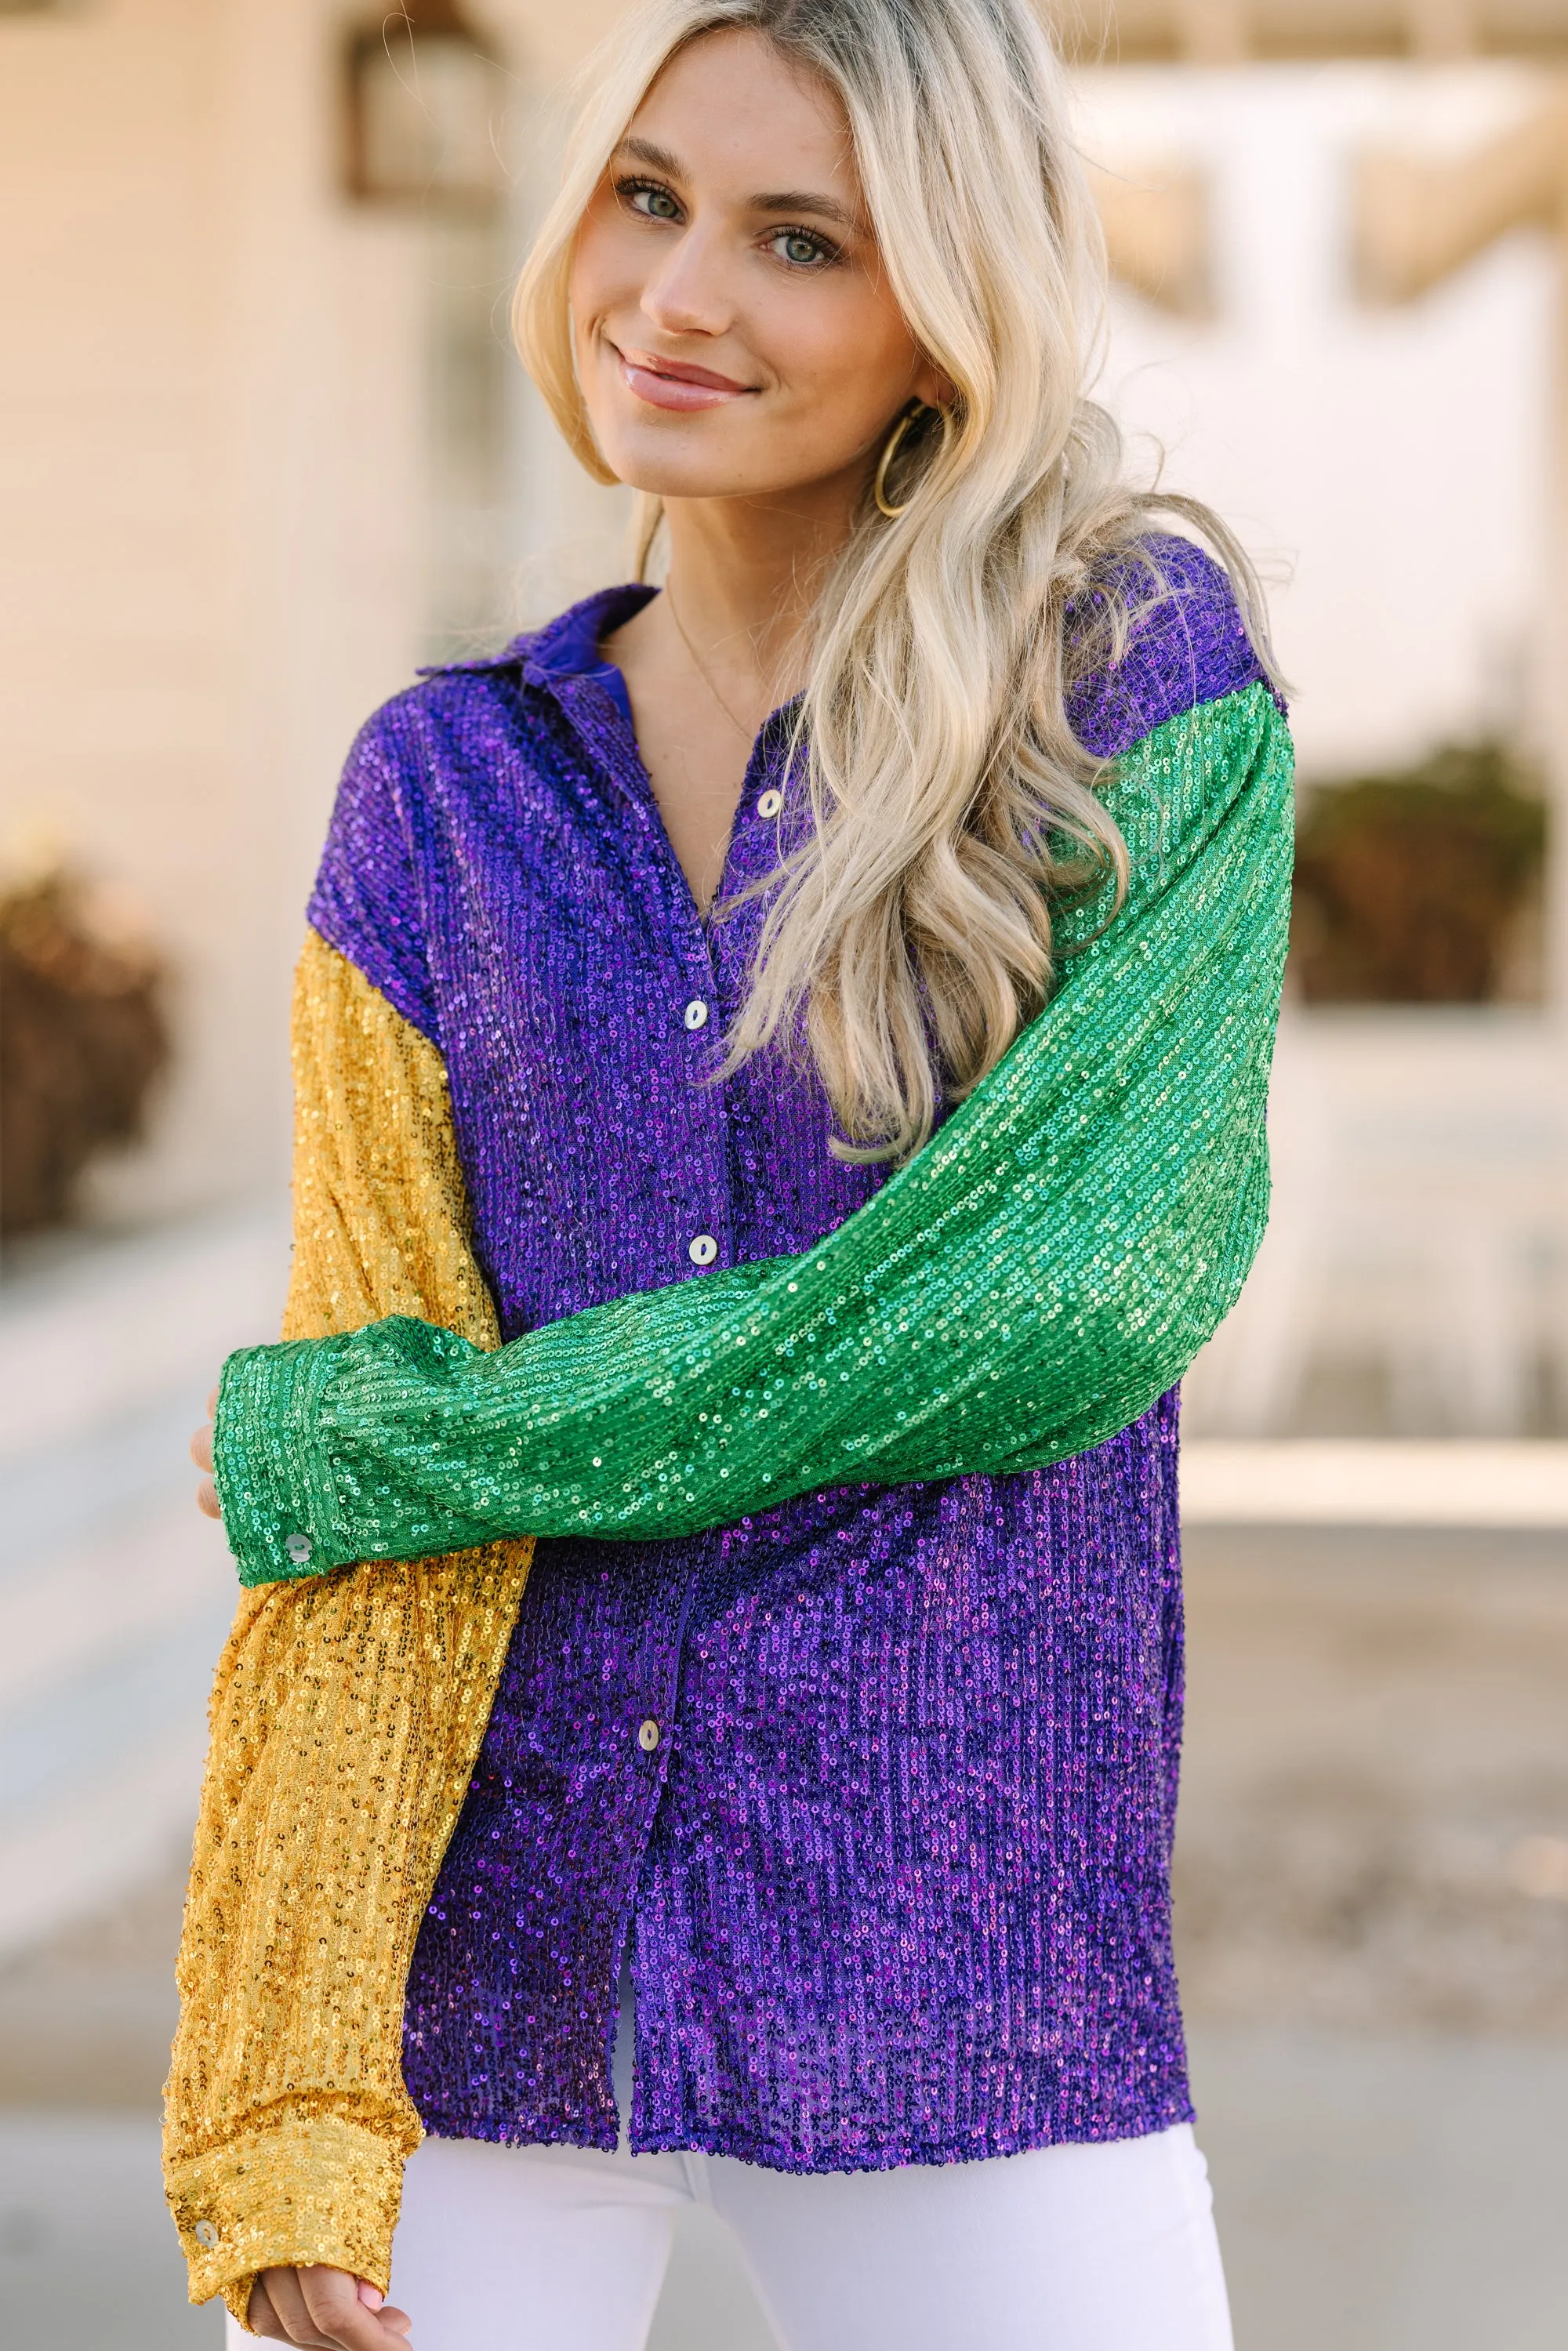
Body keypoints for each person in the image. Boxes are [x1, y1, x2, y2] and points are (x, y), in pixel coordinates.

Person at [171, 2, 1294, 2346]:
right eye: (649, 197)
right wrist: (280, 2076)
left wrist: (430, 1441)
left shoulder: (1131, 693)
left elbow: (1066, 1296)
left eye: (801, 241)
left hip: (964, 1981)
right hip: (488, 1973)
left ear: (938, 322)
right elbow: (364, 1448)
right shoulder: (441, 790)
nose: (675, 296)